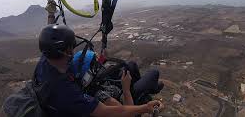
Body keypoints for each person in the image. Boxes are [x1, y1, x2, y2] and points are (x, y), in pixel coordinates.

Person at [34, 24, 164, 117]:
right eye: (70, 49)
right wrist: (142, 105)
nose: (72, 51)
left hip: (114, 92)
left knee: (132, 65)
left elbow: (49, 38)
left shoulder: (47, 59)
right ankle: (147, 93)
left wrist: (51, 14)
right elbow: (109, 111)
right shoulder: (67, 92)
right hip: (126, 100)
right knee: (153, 74)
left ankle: (150, 88)